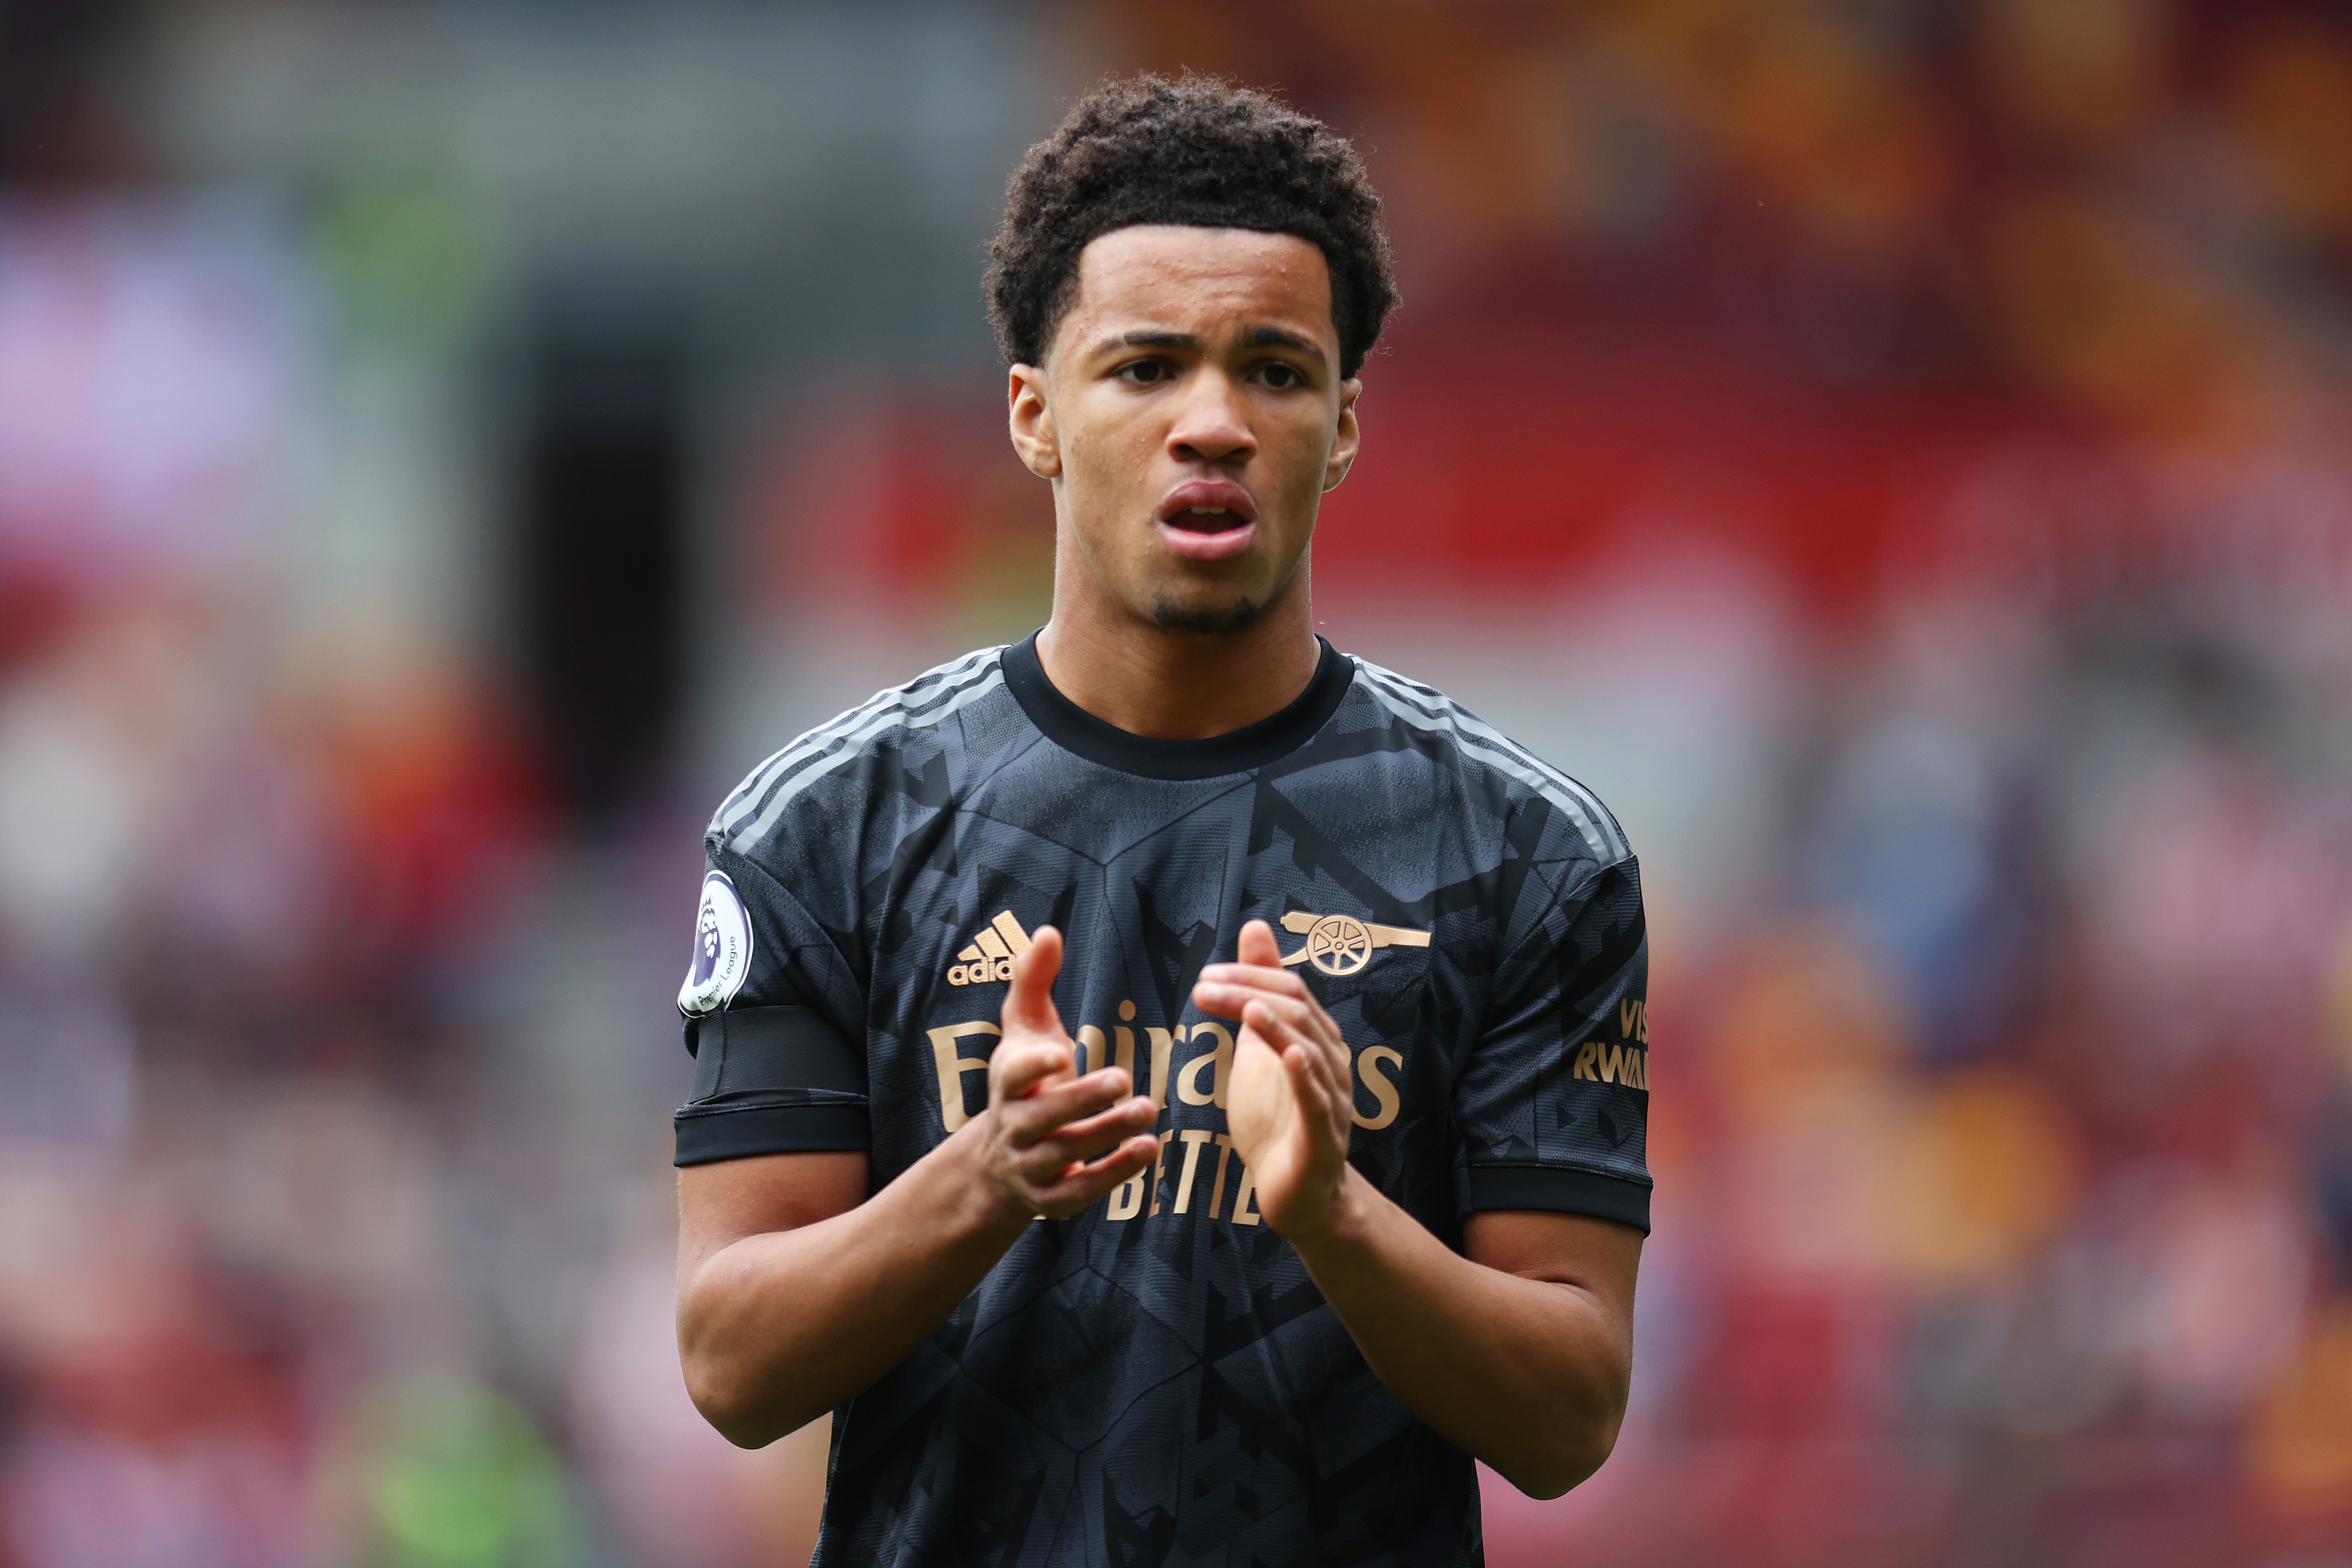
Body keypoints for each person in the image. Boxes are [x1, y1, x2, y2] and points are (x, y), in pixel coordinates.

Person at [671, 72, 1650, 1567]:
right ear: (1034, 415)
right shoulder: (827, 827)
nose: (1213, 421)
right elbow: (732, 1362)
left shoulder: (1526, 856)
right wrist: (982, 1174)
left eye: (1273, 368)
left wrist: (1333, 1208)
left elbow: (1568, 1412)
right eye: (1143, 368)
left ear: (1342, 426)